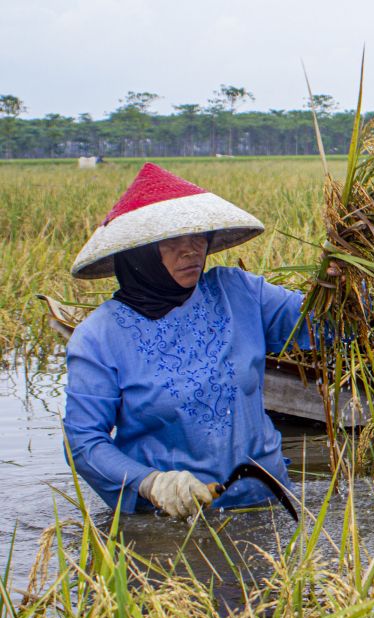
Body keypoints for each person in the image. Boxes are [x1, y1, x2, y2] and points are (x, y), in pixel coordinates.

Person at [64, 162, 323, 519]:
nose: (191, 251)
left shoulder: (239, 293)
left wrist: (344, 282)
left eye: (198, 236)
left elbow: (323, 324)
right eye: (171, 241)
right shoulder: (99, 337)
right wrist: (150, 483)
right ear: (138, 252)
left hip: (267, 506)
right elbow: (83, 441)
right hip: (172, 522)